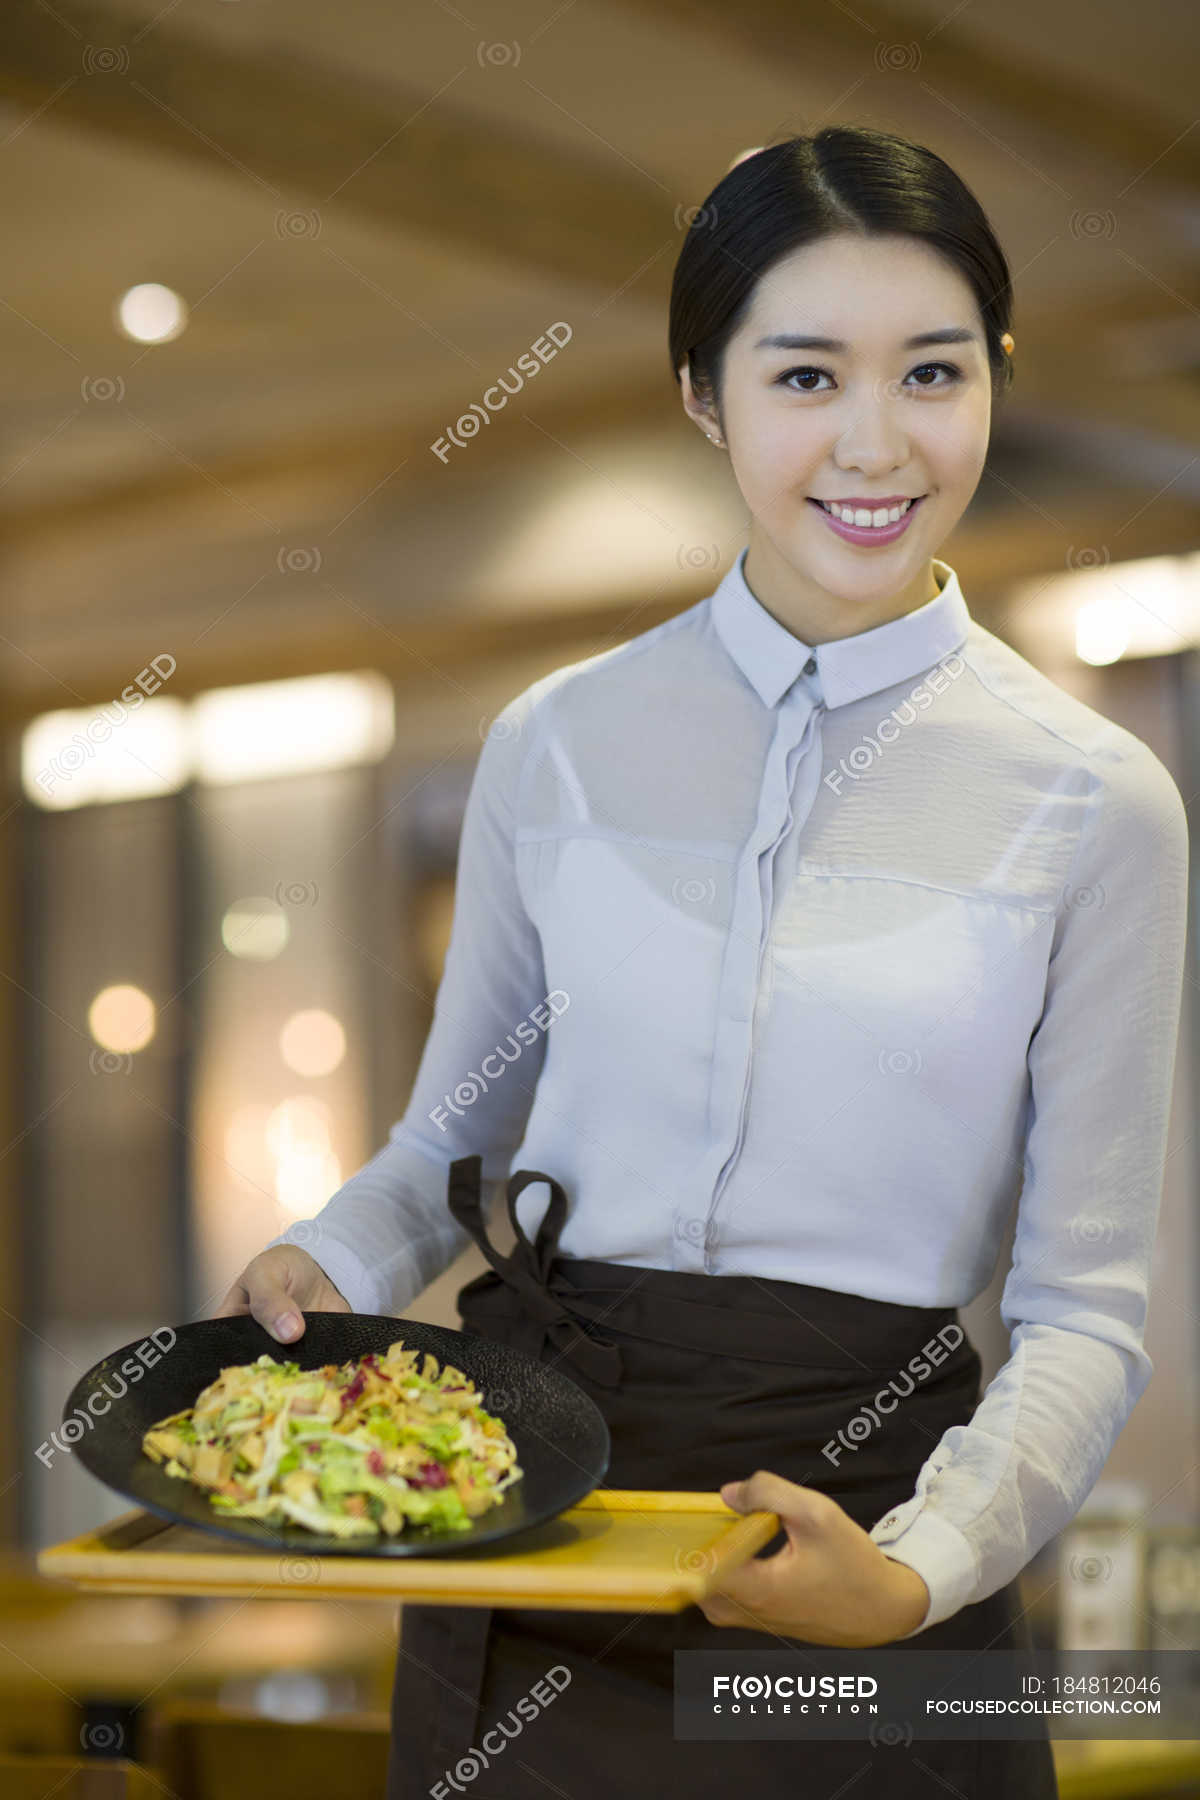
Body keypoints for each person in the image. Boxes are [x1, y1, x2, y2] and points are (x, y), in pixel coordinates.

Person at [215, 127, 1189, 1798]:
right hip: (533, 1515)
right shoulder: (559, 744)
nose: (874, 442)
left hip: (873, 1530)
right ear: (702, 395)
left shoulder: (1095, 800)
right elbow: (450, 1148)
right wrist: (329, 1257)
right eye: (804, 374)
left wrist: (917, 1569)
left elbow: (1087, 1311)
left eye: (933, 372)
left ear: (992, 382)